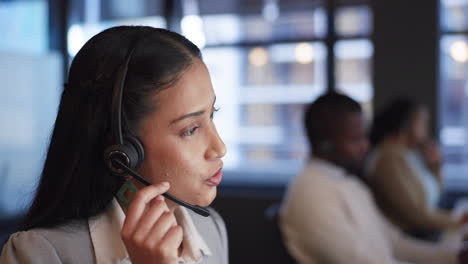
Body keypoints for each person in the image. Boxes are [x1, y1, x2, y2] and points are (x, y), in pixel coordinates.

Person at [0, 26, 228, 264]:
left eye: (212, 114)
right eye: (190, 129)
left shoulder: (210, 229)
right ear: (123, 152)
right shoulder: (39, 253)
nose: (220, 148)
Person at [279, 92, 466, 264]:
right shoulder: (311, 195)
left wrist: (455, 256)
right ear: (325, 144)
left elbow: (394, 243)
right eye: (356, 139)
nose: (365, 146)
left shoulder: (348, 183)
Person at [366, 98, 463, 234]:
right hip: (412, 235)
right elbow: (416, 215)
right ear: (406, 125)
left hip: (428, 228)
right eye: (422, 123)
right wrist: (459, 221)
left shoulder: (411, 152)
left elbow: (436, 194)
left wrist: (436, 166)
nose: (426, 130)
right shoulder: (389, 158)